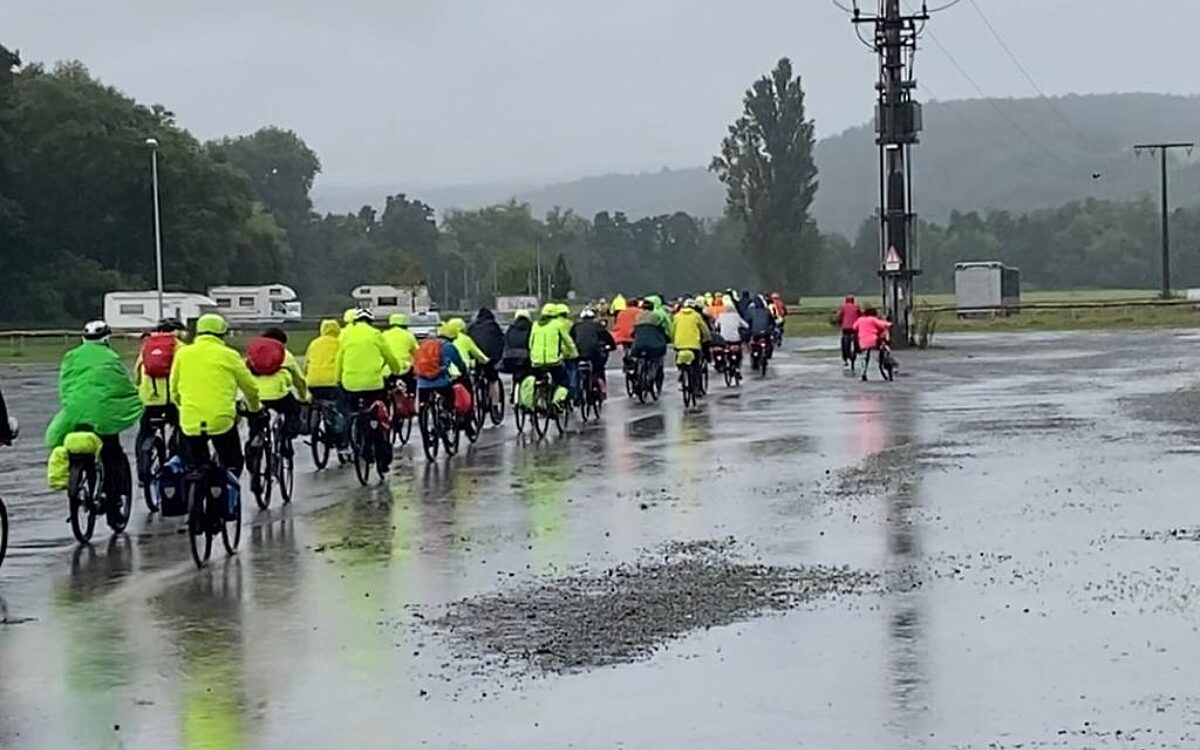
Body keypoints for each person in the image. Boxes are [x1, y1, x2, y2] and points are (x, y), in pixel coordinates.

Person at [45, 321, 142, 520]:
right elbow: (122, 385)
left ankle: (80, 486)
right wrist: (135, 397)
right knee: (112, 453)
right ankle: (113, 503)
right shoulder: (111, 358)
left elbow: (65, 385)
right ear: (107, 339)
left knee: (68, 442)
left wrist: (71, 404)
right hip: (102, 415)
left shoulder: (71, 356)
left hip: (75, 413)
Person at [169, 313, 260, 475]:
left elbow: (174, 389)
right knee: (233, 462)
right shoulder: (229, 355)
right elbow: (250, 387)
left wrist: (182, 406)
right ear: (222, 333)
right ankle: (225, 487)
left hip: (191, 419)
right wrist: (254, 408)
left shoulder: (183, 353)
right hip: (221, 419)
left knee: (195, 464)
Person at [336, 308, 403, 473]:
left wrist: (338, 380)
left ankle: (354, 438)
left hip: (350, 383)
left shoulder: (347, 336)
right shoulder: (376, 334)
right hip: (373, 384)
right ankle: (381, 454)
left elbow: (339, 360)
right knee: (379, 415)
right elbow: (389, 356)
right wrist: (396, 371)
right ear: (370, 321)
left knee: (353, 410)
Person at [244, 328, 309, 484]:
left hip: (256, 396)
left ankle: (254, 450)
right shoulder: (286, 354)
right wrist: (303, 397)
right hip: (278, 394)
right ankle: (285, 439)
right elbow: (299, 380)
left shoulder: (254, 353)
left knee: (256, 424)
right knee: (293, 410)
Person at [414, 321, 471, 420]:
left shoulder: (425, 344)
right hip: (440, 381)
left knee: (423, 401)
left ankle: (423, 417)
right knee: (450, 395)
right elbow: (458, 362)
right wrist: (463, 372)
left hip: (422, 382)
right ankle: (446, 413)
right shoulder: (448, 346)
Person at [528, 304, 578, 405]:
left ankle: (539, 399)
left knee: (539, 379)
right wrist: (574, 354)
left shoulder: (535, 325)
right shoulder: (557, 324)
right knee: (564, 382)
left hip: (536, 362)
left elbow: (530, 343)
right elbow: (567, 341)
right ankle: (557, 401)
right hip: (554, 361)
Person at [570, 308, 616, 394]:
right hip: (594, 353)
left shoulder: (576, 326)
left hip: (579, 353)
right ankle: (600, 385)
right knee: (599, 367)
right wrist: (612, 346)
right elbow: (608, 338)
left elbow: (570, 339)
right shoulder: (597, 326)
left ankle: (576, 391)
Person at [629, 299, 669, 390]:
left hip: (638, 345)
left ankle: (635, 375)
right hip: (653, 345)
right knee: (656, 359)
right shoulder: (655, 316)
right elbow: (661, 330)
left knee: (636, 358)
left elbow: (633, 332)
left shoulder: (638, 316)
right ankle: (651, 377)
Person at [466, 308, 504, 399]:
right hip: (490, 356)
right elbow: (501, 340)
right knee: (493, 379)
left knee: (476, 373)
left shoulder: (471, 327)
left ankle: (476, 388)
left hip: (476, 355)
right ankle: (495, 403)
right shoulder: (493, 326)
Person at [673, 299, 712, 388]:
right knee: (696, 365)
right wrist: (707, 339)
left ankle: (682, 372)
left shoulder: (677, 316)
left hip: (679, 345)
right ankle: (696, 387)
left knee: (679, 359)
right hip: (694, 345)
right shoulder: (696, 316)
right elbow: (704, 330)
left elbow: (673, 331)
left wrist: (674, 341)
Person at [304, 318, 342, 402]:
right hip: (333, 382)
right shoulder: (340, 343)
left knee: (316, 401)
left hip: (313, 382)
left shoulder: (314, 343)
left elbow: (306, 364)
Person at [382, 313, 420, 394]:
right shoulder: (408, 335)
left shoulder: (384, 335)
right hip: (405, 368)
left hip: (387, 369)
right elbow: (417, 353)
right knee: (412, 387)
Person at [853, 307, 893, 382]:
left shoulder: (860, 320)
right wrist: (890, 324)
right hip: (873, 341)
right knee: (883, 348)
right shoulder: (872, 319)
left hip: (862, 342)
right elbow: (883, 324)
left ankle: (863, 373)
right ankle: (886, 362)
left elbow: (854, 327)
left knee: (864, 357)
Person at [500, 310, 533, 389]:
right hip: (526, 357)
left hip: (509, 357)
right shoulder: (531, 328)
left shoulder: (510, 329)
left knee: (515, 371)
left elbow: (505, 341)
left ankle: (513, 390)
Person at [714, 296, 748, 369]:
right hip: (735, 339)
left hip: (723, 339)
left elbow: (716, 325)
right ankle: (738, 367)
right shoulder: (737, 316)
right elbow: (746, 325)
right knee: (739, 351)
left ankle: (722, 364)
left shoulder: (721, 316)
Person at [835, 295, 863, 367]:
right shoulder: (857, 307)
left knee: (843, 340)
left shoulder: (843, 307)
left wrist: (839, 323)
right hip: (855, 327)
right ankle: (858, 349)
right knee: (857, 337)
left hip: (845, 328)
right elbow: (861, 314)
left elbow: (838, 316)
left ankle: (844, 357)